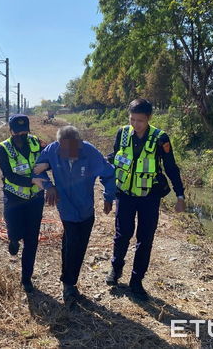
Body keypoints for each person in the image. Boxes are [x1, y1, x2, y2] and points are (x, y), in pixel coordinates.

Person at [105, 98, 186, 300]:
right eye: (132, 119)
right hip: (124, 194)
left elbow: (171, 167)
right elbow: (115, 159)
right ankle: (116, 269)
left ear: (149, 118)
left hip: (149, 197)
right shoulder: (122, 133)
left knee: (145, 239)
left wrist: (180, 195)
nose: (135, 124)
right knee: (122, 234)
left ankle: (136, 280)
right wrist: (108, 191)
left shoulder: (161, 138)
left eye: (140, 120)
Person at [34, 125, 116, 303]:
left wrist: (109, 197)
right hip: (66, 207)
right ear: (58, 144)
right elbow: (36, 169)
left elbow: (109, 173)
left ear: (79, 143)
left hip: (86, 208)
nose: (68, 152)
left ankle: (69, 279)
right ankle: (69, 284)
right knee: (73, 243)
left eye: (72, 147)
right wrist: (49, 187)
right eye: (64, 148)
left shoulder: (90, 152)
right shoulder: (52, 150)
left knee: (78, 245)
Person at [0, 114, 47, 293]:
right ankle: (13, 240)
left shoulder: (36, 143)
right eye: (18, 133)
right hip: (14, 198)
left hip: (35, 200)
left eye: (25, 132)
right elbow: (9, 175)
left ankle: (26, 278)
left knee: (32, 240)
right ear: (10, 131)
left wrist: (46, 168)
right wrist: (32, 180)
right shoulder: (3, 149)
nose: (22, 137)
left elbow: (48, 160)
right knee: (15, 231)